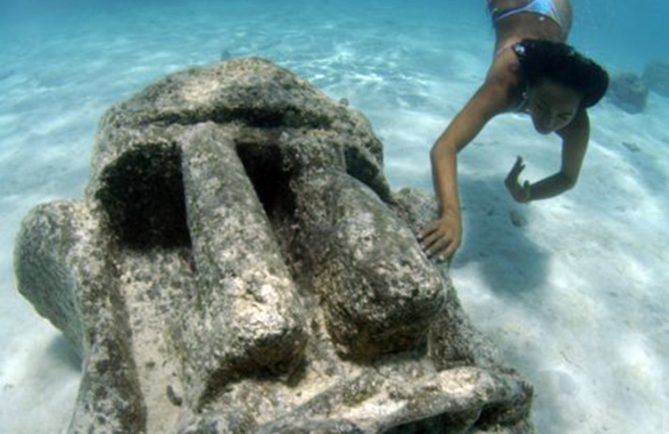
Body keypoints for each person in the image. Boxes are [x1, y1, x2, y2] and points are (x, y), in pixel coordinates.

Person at [419, 0, 609, 262]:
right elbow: (444, 147)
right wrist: (451, 213)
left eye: (563, 116)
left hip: (557, 13)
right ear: (527, 88)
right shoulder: (505, 85)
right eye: (541, 107)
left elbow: (567, 177)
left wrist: (529, 193)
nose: (549, 123)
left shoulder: (577, 122)